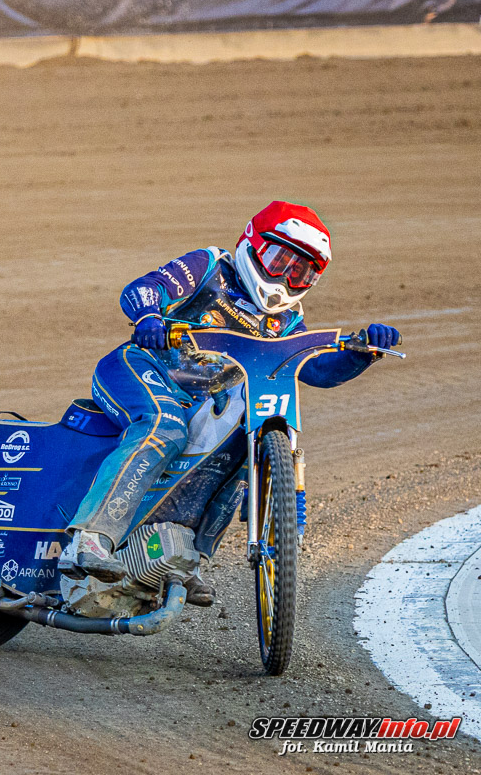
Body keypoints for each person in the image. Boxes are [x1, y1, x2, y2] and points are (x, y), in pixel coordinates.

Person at [56, 201, 400, 606]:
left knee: (242, 438)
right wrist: (149, 316)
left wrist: (363, 353)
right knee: (164, 425)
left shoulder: (286, 323)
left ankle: (190, 557)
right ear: (253, 244)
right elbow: (145, 288)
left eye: (301, 272)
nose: (285, 278)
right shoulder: (210, 267)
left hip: (200, 401)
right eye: (279, 261)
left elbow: (316, 370)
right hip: (139, 368)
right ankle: (90, 538)